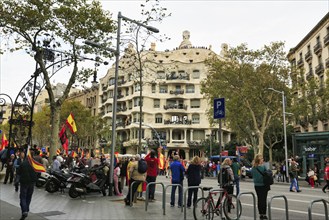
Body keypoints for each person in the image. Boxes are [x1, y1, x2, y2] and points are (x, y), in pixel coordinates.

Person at [17, 155, 37, 220]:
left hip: (24, 183)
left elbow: (18, 172)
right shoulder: (34, 164)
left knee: (23, 197)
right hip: (32, 183)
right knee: (29, 196)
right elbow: (38, 172)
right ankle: (26, 209)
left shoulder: (23, 163)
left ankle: (24, 210)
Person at [251, 154, 269, 220]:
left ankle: (260, 214)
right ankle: (264, 214)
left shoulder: (253, 168)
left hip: (256, 185)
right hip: (263, 185)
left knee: (259, 199)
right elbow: (267, 174)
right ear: (259, 160)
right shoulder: (263, 167)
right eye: (261, 159)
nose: (263, 160)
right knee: (264, 200)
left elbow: (252, 175)